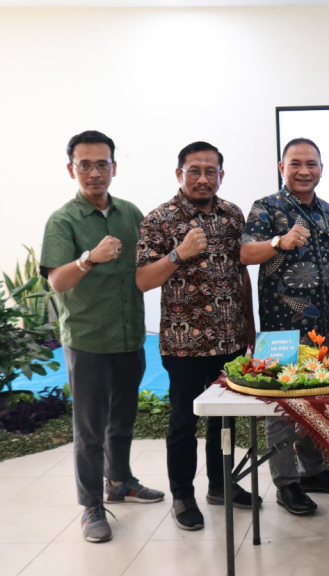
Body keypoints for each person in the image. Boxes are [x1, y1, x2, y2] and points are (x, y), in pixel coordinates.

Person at [40, 130, 164, 543]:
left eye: (102, 164)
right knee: (90, 430)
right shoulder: (63, 220)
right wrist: (89, 259)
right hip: (88, 339)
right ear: (71, 169)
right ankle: (92, 505)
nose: (94, 173)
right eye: (85, 165)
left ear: (114, 167)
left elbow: (152, 262)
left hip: (129, 336)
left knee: (122, 422)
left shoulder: (130, 213)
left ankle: (121, 482)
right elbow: (57, 280)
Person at [136, 142, 259, 531]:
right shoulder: (160, 219)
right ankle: (183, 496)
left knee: (224, 421)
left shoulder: (232, 215)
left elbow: (242, 272)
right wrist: (178, 254)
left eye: (211, 171)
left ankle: (221, 486)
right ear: (179, 174)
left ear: (221, 175)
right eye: (194, 171)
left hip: (230, 339)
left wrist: (249, 326)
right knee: (183, 423)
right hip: (184, 342)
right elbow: (142, 280)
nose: (203, 178)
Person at [240, 137, 329, 516]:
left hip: (323, 329)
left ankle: (314, 472)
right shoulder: (266, 208)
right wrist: (280, 241)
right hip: (280, 330)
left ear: (322, 168)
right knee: (283, 406)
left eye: (311, 164)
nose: (304, 171)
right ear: (281, 167)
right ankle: (286, 485)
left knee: (318, 402)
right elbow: (244, 253)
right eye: (296, 164)